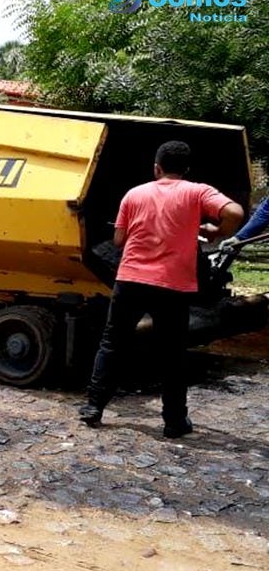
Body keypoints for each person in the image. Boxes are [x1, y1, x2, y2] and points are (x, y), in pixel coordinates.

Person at [79, 141, 243, 438]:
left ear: (156, 168)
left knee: (112, 343)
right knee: (173, 354)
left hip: (130, 280)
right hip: (172, 285)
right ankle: (174, 422)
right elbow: (235, 212)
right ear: (186, 170)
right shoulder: (197, 192)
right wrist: (217, 231)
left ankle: (94, 406)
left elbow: (118, 241)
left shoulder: (135, 193)